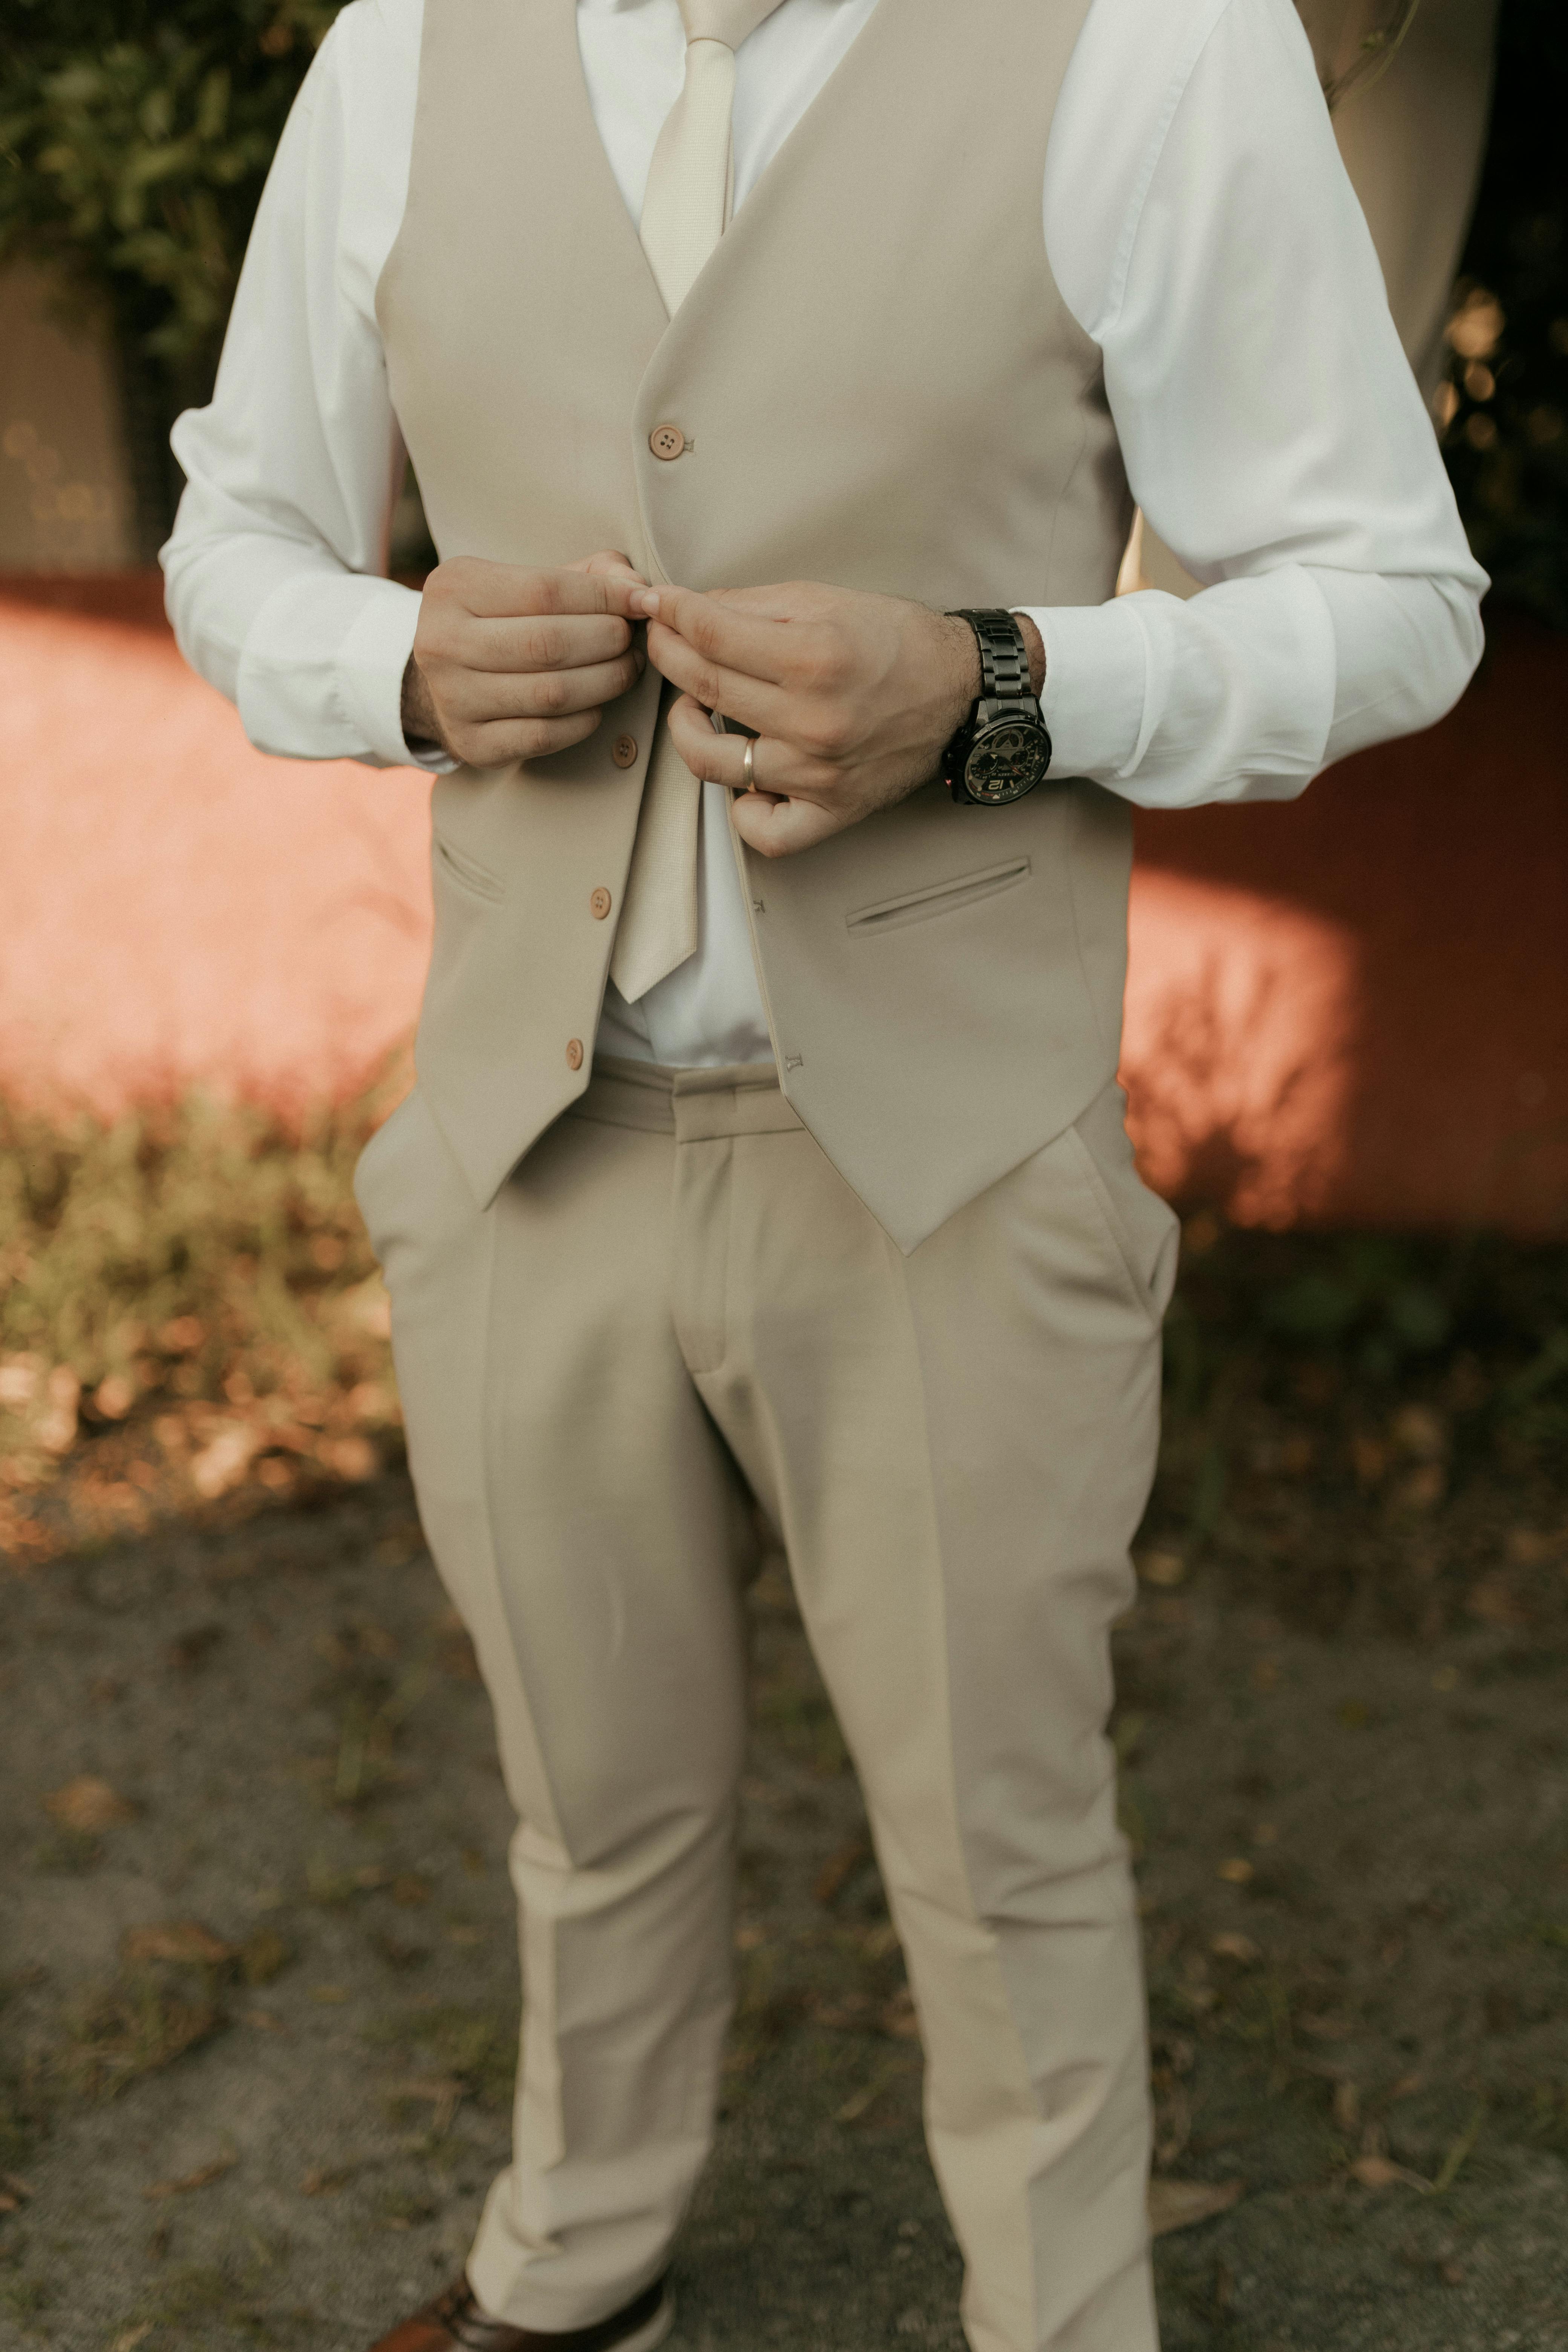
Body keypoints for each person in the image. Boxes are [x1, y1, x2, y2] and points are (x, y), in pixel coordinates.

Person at [161, 2, 1486, 2345]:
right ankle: (576, 2273)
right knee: (588, 1802)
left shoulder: (1149, 45)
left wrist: (1000, 687)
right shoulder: (397, 51)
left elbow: (1396, 597)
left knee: (1004, 1849)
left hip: (951, 1165)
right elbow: (239, 535)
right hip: (519, 1141)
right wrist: (394, 662)